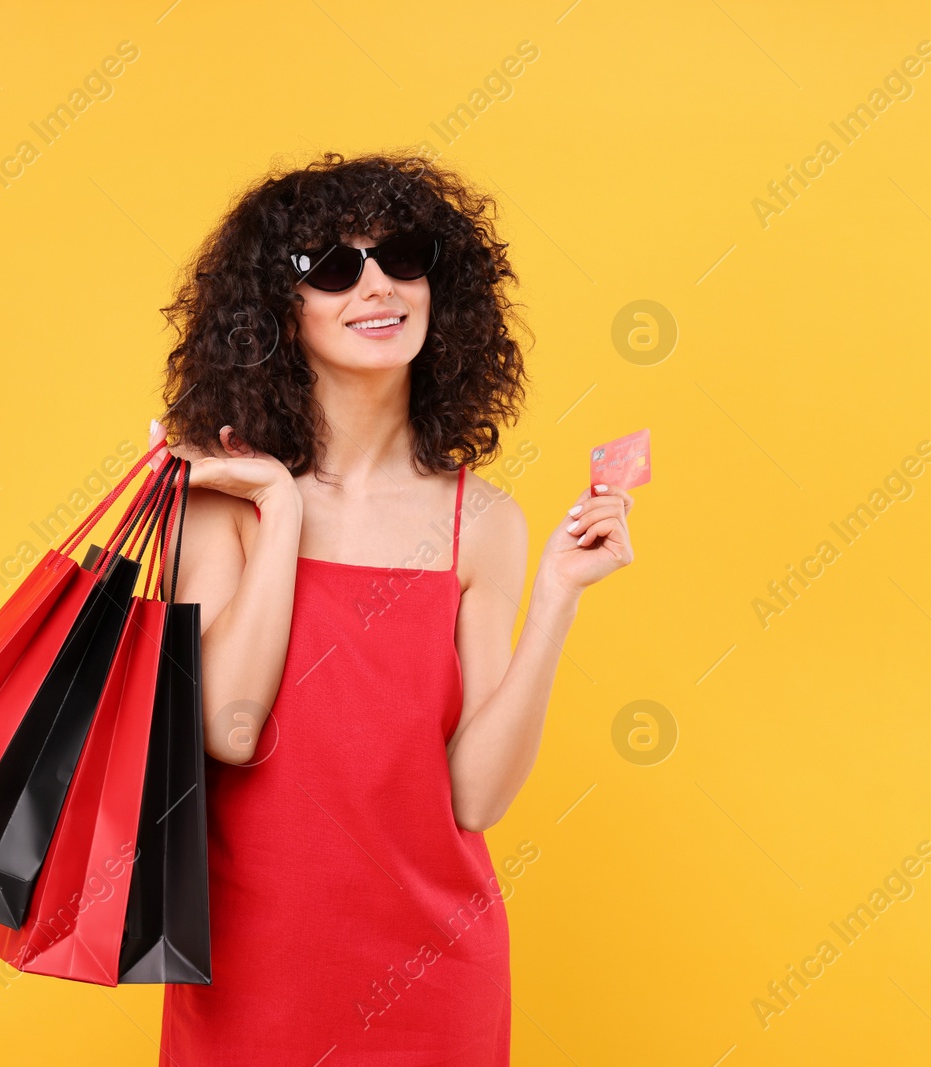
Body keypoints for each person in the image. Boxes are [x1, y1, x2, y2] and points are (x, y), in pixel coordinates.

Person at [145, 151, 635, 1064]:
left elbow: (476, 796)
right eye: (330, 266)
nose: (376, 284)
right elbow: (229, 729)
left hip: (436, 975)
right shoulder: (221, 498)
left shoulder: (482, 521)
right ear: (276, 314)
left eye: (401, 256)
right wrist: (282, 510)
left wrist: (557, 599)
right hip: (250, 975)